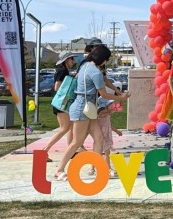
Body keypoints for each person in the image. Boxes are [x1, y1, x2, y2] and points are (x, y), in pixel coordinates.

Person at [52, 45, 130, 181]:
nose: (106, 62)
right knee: (76, 142)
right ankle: (59, 170)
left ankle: (97, 167)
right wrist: (121, 98)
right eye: (106, 59)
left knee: (99, 137)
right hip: (84, 108)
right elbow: (104, 95)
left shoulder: (85, 66)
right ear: (103, 59)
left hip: (88, 108)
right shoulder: (96, 72)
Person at [42, 50, 77, 162]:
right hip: (61, 103)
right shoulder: (62, 70)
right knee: (64, 128)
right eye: (72, 58)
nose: (73, 61)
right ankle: (44, 150)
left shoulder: (64, 70)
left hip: (63, 103)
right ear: (66, 60)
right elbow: (57, 87)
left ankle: (71, 151)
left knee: (71, 126)